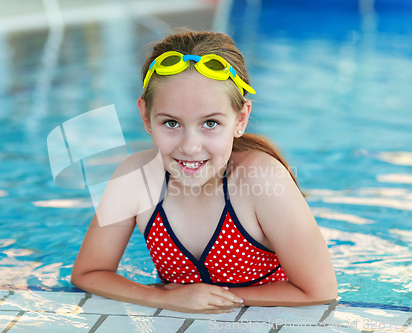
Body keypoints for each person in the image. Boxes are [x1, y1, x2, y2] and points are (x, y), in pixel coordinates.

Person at [71, 30, 337, 314]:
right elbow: (88, 273)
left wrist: (211, 298)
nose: (189, 146)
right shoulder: (136, 177)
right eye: (171, 123)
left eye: (210, 123)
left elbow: (319, 291)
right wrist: (162, 298)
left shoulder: (260, 178)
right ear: (146, 115)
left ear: (241, 119)